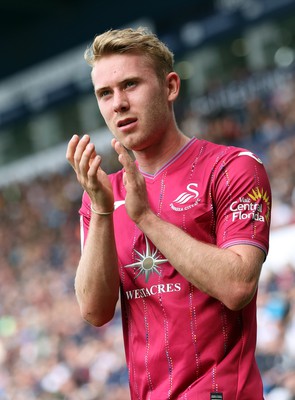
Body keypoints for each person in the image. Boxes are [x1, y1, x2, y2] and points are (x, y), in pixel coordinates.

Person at [66, 27, 272, 399]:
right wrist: (99, 208)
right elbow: (94, 311)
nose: (118, 103)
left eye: (130, 85)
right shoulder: (101, 195)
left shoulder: (233, 168)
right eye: (105, 93)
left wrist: (145, 217)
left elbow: (238, 286)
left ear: (170, 86)